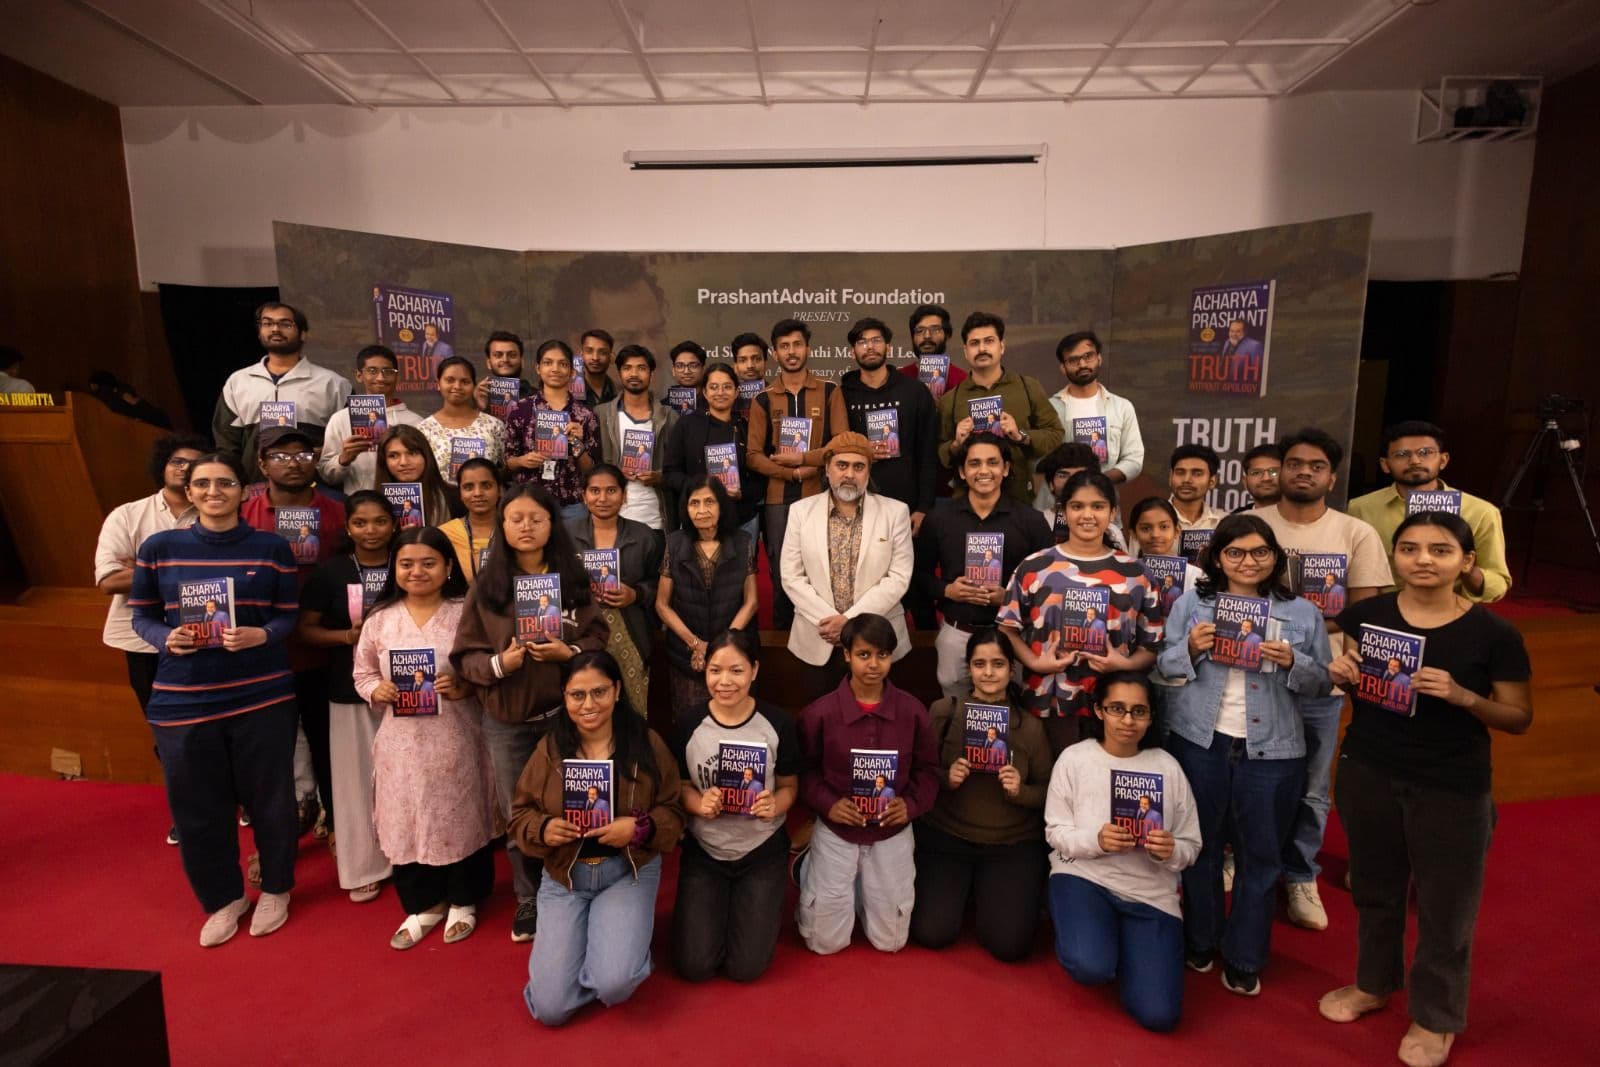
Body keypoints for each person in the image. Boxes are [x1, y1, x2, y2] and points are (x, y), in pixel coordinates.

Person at [1320, 512, 1532, 1067]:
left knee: (1446, 906)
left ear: (1466, 562)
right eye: (1410, 548)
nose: (1423, 560)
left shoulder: (1494, 633)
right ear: (1395, 557)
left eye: (1440, 550)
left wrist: (1465, 697)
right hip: (1368, 770)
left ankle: (1436, 1016)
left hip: (1451, 784)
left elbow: (1518, 717)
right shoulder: (1366, 615)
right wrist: (1340, 674)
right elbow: (1346, 677)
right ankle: (1373, 984)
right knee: (1374, 889)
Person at [1156, 514, 1333, 996]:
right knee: (1201, 849)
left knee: (1260, 857)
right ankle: (1201, 940)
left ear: (1275, 557)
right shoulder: (1192, 604)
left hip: (1274, 751)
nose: (1248, 562)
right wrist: (1190, 648)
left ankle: (1245, 955)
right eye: (1235, 552)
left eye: (1259, 552)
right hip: (1201, 742)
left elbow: (1324, 683)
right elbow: (1162, 667)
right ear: (1217, 557)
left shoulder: (1301, 612)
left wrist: (1294, 661)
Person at [129, 453, 301, 946]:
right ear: (189, 491)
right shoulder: (160, 548)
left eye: (224, 482)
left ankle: (276, 887)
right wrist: (167, 639)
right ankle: (224, 898)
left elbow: (287, 616)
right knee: (197, 807)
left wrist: (261, 636)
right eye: (201, 483)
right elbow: (141, 615)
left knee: (271, 800)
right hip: (184, 699)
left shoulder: (272, 548)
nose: (213, 491)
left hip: (261, 695)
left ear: (243, 492)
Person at [451, 484, 608, 943]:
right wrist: (503, 662)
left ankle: (574, 884)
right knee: (519, 813)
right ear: (502, 526)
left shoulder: (571, 578)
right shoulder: (488, 585)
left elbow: (600, 640)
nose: (525, 526)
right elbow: (465, 657)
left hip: (565, 715)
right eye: (515, 518)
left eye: (535, 518)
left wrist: (570, 651)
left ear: (551, 525)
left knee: (574, 803)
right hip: (508, 721)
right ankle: (528, 897)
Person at [1257, 427, 1393, 932]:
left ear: (1331, 477)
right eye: (1294, 463)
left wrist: (1305, 630)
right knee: (1246, 774)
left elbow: (1364, 612)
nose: (1303, 472)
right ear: (1279, 470)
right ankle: (1237, 853)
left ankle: (1300, 873)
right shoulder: (1250, 523)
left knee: (1312, 784)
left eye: (1316, 466)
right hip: (1253, 671)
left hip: (1324, 679)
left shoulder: (1354, 534)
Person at [507, 651, 685, 1026]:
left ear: (618, 690)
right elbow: (519, 816)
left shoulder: (647, 744)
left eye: (599, 692)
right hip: (564, 878)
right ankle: (605, 946)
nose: (589, 705)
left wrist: (639, 828)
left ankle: (619, 952)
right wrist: (543, 829)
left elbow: (675, 812)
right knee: (550, 1010)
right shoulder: (550, 750)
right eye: (577, 695)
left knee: (614, 984)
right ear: (565, 697)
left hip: (625, 871)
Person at [352, 526, 500, 949]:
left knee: (459, 812)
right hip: (401, 744)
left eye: (429, 563)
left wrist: (466, 685)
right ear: (394, 568)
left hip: (456, 736)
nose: (417, 571)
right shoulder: (380, 620)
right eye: (407, 563)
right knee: (407, 817)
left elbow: (483, 666)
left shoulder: (465, 612)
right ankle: (423, 903)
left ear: (448, 566)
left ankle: (464, 899)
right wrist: (375, 689)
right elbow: (362, 671)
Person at [1045, 673, 1201, 1032]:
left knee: (1159, 1016)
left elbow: (1192, 846)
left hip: (1150, 895)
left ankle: (1130, 950)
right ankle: (1093, 936)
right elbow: (1055, 831)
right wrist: (1096, 841)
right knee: (1090, 965)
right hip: (1083, 877)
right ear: (1099, 710)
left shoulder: (1167, 767)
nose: (1128, 721)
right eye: (1117, 709)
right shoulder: (1075, 759)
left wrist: (1170, 850)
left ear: (1150, 717)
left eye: (1138, 711)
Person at [796, 614, 940, 955]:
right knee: (824, 944)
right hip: (837, 829)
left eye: (882, 655)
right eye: (863, 655)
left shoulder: (913, 712)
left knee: (889, 942)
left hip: (891, 830)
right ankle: (809, 866)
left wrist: (910, 804)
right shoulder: (819, 714)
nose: (873, 665)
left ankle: (862, 886)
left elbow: (929, 771)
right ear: (845, 654)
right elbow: (803, 772)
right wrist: (828, 803)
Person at [998, 470, 1164, 757]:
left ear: (1112, 512)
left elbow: (1153, 646)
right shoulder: (1035, 567)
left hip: (1114, 707)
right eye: (1077, 506)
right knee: (1050, 785)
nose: (1087, 515)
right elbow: (1006, 629)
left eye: (1098, 506)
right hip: (1048, 702)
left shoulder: (1136, 574)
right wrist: (1036, 663)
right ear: (1064, 511)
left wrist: (1122, 664)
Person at [910, 629, 1052, 961]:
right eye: (979, 664)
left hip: (1011, 844)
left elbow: (1048, 792)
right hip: (947, 837)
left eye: (998, 664)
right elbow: (917, 773)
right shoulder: (944, 712)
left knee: (1009, 946)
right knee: (931, 933)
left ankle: (986, 892)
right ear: (968, 669)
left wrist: (1020, 791)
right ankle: (966, 891)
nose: (988, 673)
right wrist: (947, 778)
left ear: (1012, 669)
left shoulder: (1030, 727)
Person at [94, 433, 206, 844]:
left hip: (207, 639)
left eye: (196, 464)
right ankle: (188, 810)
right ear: (162, 465)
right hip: (143, 644)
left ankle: (232, 797)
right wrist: (181, 570)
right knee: (169, 734)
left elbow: (229, 572)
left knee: (216, 727)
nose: (186, 469)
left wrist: (142, 567)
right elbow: (108, 581)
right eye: (178, 462)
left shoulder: (217, 511)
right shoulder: (128, 515)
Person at [671, 628, 800, 982]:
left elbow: (790, 786)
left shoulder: (777, 723)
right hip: (705, 851)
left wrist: (775, 804)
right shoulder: (688, 723)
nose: (724, 681)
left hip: (761, 850)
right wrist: (698, 803)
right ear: (704, 670)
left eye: (736, 671)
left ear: (755, 670)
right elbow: (681, 785)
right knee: (694, 966)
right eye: (715, 670)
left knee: (746, 969)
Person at [241, 425, 348, 838]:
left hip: (327, 653)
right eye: (281, 456)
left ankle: (339, 830)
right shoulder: (243, 514)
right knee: (270, 755)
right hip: (263, 654)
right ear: (262, 463)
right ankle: (275, 844)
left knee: (328, 749)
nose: (293, 463)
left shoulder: (341, 511)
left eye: (302, 455)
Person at [296, 491, 396, 903]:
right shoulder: (330, 573)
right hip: (347, 686)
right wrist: (345, 637)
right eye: (361, 523)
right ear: (349, 527)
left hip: (407, 687)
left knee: (405, 777)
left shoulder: (408, 563)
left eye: (379, 522)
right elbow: (306, 630)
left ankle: (407, 855)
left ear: (394, 523)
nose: (371, 531)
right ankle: (363, 864)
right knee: (355, 780)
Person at [916, 432, 1054, 698]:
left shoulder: (1031, 521)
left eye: (992, 462)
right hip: (957, 633)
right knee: (956, 711)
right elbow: (919, 576)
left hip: (1010, 635)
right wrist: (947, 591)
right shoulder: (939, 519)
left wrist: (1010, 598)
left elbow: (1047, 586)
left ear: (1006, 468)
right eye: (974, 463)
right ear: (962, 471)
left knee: (1009, 709)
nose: (984, 471)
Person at [780, 432, 914, 699]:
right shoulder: (800, 511)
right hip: (820, 638)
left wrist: (850, 623)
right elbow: (791, 576)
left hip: (878, 640)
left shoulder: (895, 512)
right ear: (827, 469)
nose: (849, 474)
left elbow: (899, 577)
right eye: (842, 465)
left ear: (868, 472)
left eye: (858, 467)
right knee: (821, 725)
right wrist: (833, 624)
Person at [745, 319, 851, 629]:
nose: (792, 352)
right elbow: (752, 456)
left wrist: (805, 460)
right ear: (775, 354)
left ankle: (825, 639)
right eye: (784, 346)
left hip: (821, 496)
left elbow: (841, 445)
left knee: (822, 570)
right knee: (782, 574)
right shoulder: (763, 398)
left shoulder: (830, 391)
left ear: (808, 349)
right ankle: (782, 642)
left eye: (797, 344)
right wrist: (789, 473)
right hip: (778, 501)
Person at [1346, 421, 1511, 602]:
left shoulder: (1481, 512)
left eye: (1426, 453)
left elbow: (1497, 585)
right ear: (1385, 465)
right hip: (1384, 612)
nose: (1415, 460)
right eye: (1402, 454)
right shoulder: (1361, 508)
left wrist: (1464, 567)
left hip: (1451, 613)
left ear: (1443, 460)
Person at [212, 302, 351, 484]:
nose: (275, 329)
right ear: (259, 331)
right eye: (267, 323)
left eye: (285, 324)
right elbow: (226, 442)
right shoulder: (238, 381)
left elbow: (347, 441)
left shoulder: (333, 383)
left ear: (303, 334)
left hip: (314, 488)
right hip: (255, 490)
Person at [936, 311, 1064, 508]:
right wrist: (956, 444)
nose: (982, 349)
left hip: (1019, 499)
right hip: (967, 504)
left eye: (989, 341)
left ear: (1001, 346)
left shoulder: (1028, 387)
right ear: (965, 351)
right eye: (974, 343)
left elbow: (1055, 434)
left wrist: (1020, 435)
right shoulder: (951, 399)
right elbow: (939, 451)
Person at [655, 476, 759, 715]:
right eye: (694, 503)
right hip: (686, 654)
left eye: (709, 502)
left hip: (735, 651)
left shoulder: (743, 543)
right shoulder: (674, 543)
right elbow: (662, 605)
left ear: (722, 505)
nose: (702, 510)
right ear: (686, 508)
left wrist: (723, 645)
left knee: (735, 718)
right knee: (689, 724)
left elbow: (751, 602)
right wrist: (696, 644)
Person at [568, 464, 665, 716]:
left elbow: (660, 583)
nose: (602, 498)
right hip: (581, 633)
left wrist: (636, 594)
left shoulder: (644, 536)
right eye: (595, 491)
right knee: (587, 710)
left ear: (625, 496)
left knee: (632, 710)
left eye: (611, 490)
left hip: (630, 631)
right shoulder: (565, 535)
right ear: (583, 496)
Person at [840, 316, 937, 535]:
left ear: (889, 348)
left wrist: (923, 507)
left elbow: (928, 453)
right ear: (852, 352)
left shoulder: (915, 392)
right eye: (862, 342)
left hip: (907, 507)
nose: (870, 347)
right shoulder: (842, 395)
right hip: (855, 505)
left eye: (876, 340)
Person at [663, 361, 760, 542]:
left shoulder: (747, 427)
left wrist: (742, 493)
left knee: (742, 571)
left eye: (727, 387)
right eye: (714, 387)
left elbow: (760, 478)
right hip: (698, 519)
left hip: (742, 520)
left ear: (737, 392)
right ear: (705, 392)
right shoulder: (687, 425)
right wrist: (700, 488)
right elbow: (670, 473)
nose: (720, 393)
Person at [505, 340, 599, 522]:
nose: (555, 369)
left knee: (574, 551)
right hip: (529, 504)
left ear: (572, 372)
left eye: (562, 364)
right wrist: (523, 460)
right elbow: (506, 463)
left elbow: (590, 471)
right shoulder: (520, 409)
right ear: (538, 368)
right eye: (548, 363)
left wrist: (576, 443)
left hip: (572, 505)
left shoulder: (585, 415)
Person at [1044, 330, 1144, 495]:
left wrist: (1099, 481)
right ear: (1063, 367)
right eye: (1073, 360)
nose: (1082, 364)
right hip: (1058, 504)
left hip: (1103, 500)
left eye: (1088, 356)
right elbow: (1038, 460)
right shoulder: (1048, 408)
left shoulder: (1122, 407)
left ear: (1099, 358)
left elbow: (1134, 459)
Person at [318, 345, 423, 494]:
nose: (380, 378)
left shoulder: (416, 422)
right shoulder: (340, 419)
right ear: (359, 375)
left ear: (397, 376)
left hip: (404, 504)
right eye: (372, 371)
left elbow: (427, 472)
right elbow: (326, 474)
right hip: (357, 504)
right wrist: (344, 459)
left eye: (388, 372)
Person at [594, 345, 677, 533]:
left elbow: (679, 470)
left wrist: (659, 476)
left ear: (651, 374)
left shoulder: (669, 416)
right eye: (627, 368)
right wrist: (614, 473)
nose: (634, 373)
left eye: (641, 368)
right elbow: (591, 466)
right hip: (614, 520)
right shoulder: (602, 415)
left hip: (656, 520)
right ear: (619, 373)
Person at [898, 305, 968, 506]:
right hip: (907, 488)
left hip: (950, 489)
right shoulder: (899, 378)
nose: (926, 336)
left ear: (947, 335)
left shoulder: (963, 380)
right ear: (912, 337)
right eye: (919, 331)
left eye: (935, 330)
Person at [418, 357, 506, 483]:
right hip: (440, 501)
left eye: (465, 382)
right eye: (450, 380)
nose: (457, 386)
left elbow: (505, 469)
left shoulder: (493, 425)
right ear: (438, 384)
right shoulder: (424, 429)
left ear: (474, 386)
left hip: (483, 500)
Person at [1037, 441, 1129, 552]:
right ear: (1051, 483)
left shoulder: (1111, 531)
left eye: (1079, 475)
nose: (1071, 481)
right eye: (1063, 475)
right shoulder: (1035, 523)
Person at [376, 425, 454, 527]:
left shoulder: (455, 496)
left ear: (426, 456)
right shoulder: (374, 502)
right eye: (393, 456)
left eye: (412, 453)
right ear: (384, 461)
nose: (404, 462)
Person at [1128, 498, 1205, 599]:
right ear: (1133, 533)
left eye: (1164, 527)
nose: (1155, 535)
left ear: (1177, 531)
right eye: (1146, 528)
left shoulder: (1197, 577)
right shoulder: (1125, 576)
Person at [439, 458, 501, 584]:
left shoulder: (515, 529)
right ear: (460, 493)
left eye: (486, 485)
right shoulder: (445, 534)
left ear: (499, 490)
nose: (477, 493)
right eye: (468, 487)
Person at [471, 330, 537, 412]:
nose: (505, 359)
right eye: (498, 355)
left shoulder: (538, 397)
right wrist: (477, 407)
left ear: (522, 362)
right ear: (488, 363)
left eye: (512, 355)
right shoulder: (476, 396)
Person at [1168, 444, 1227, 532]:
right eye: (1180, 472)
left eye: (1197, 474)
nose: (1186, 480)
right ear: (1170, 477)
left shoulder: (1224, 522)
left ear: (1212, 481)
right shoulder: (1150, 518)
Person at [1232, 443, 1283, 513]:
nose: (1266, 478)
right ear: (1245, 482)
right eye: (1256, 473)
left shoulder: (1301, 519)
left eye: (1274, 472)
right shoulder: (1234, 519)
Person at [577, 328, 619, 408]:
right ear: (581, 355)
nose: (595, 358)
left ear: (611, 357)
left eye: (602, 352)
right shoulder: (568, 391)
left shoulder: (620, 393)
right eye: (589, 351)